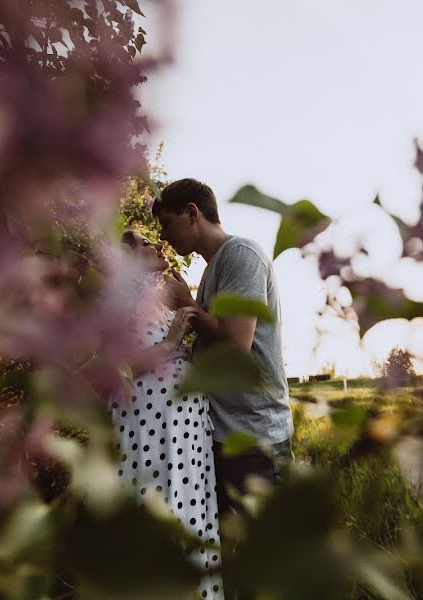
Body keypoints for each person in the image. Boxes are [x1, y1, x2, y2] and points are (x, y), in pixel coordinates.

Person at [152, 178, 294, 519]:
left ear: (192, 213)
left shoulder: (241, 255)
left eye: (168, 223)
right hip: (225, 436)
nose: (163, 236)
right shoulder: (212, 271)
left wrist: (187, 304)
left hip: (256, 440)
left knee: (263, 557)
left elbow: (235, 344)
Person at [110, 229, 223, 600]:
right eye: (144, 244)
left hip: (185, 433)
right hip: (153, 433)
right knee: (162, 514)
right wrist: (173, 340)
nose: (156, 245)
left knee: (188, 518)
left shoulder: (153, 302)